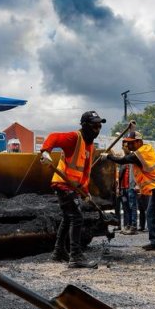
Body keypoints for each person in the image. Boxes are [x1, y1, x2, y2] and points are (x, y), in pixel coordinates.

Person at [39, 110, 105, 269]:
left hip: (72, 186)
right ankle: (75, 257)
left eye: (99, 126)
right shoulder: (75, 138)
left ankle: (58, 251)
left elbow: (84, 172)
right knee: (77, 218)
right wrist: (46, 151)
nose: (97, 130)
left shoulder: (89, 146)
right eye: (94, 126)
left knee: (68, 218)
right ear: (85, 125)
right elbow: (54, 137)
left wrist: (85, 191)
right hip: (63, 184)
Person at [103, 132, 155, 252]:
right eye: (127, 143)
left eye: (131, 143)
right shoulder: (141, 151)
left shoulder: (142, 152)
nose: (128, 146)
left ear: (139, 142)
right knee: (150, 215)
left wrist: (108, 156)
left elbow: (123, 160)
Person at [117, 141, 140, 235]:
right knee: (126, 208)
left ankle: (133, 226)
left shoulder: (133, 158)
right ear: (123, 148)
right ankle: (128, 225)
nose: (127, 147)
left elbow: (137, 172)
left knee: (132, 207)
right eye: (125, 146)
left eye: (128, 146)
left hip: (131, 187)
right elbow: (120, 175)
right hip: (123, 188)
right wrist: (119, 188)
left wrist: (137, 184)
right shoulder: (123, 160)